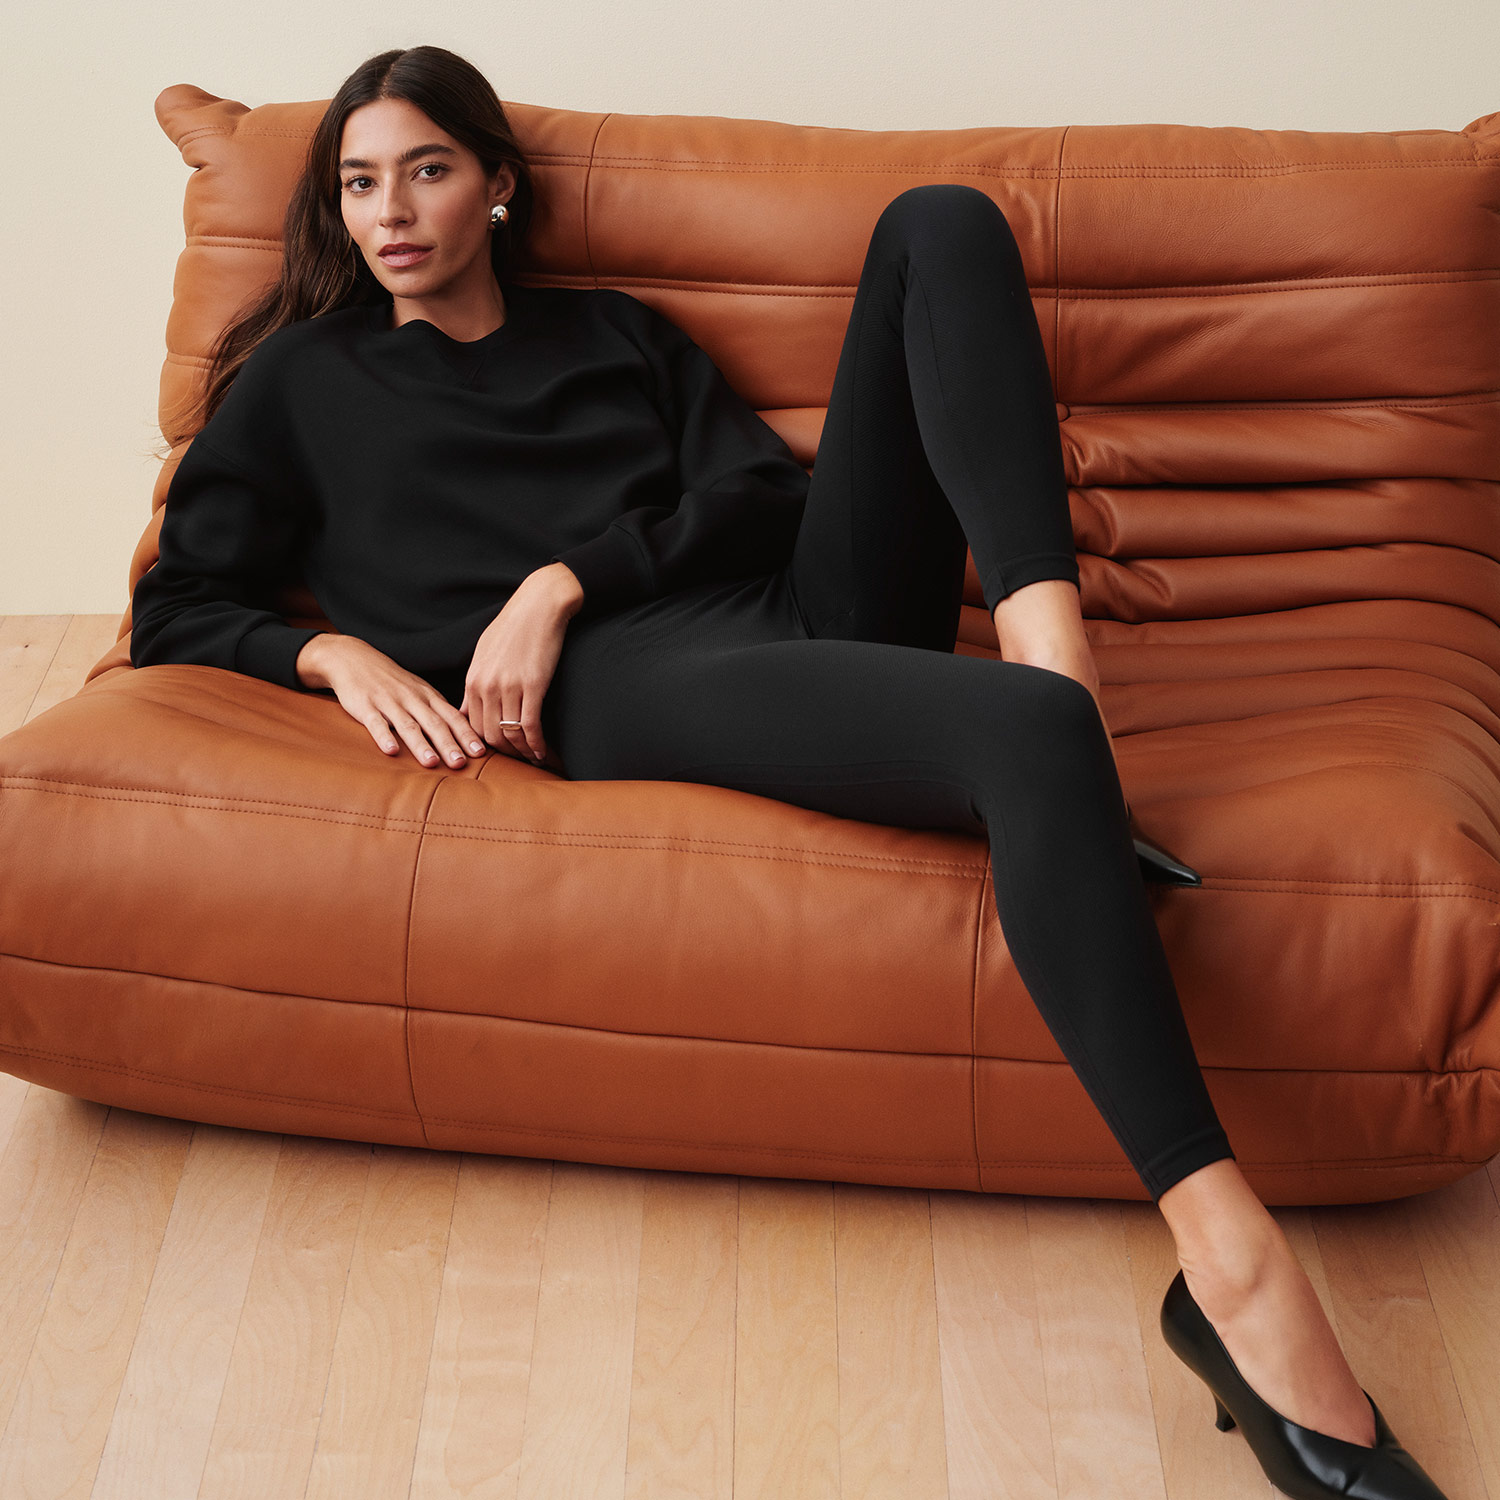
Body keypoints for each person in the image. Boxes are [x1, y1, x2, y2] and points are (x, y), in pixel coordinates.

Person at [129, 45, 1448, 1500]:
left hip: (773, 607)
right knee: (1026, 741)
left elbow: (765, 497)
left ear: (497, 187)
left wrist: (566, 570)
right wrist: (341, 659)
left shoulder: (611, 334)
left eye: (429, 170)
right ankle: (1233, 1267)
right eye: (360, 182)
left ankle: (1049, 652)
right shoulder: (307, 379)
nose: (393, 211)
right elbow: (183, 604)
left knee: (941, 221)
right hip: (621, 686)